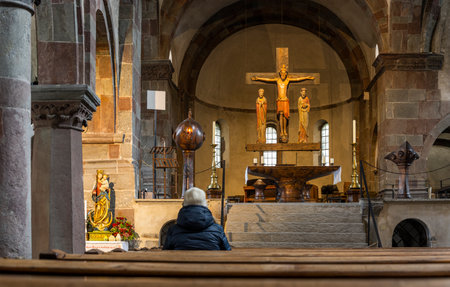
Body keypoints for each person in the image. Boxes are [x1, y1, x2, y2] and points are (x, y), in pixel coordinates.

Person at [163, 187, 231, 250]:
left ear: (184, 204)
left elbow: (166, 252)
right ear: (205, 204)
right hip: (211, 262)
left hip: (182, 262)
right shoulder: (218, 229)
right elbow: (227, 251)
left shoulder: (173, 230)